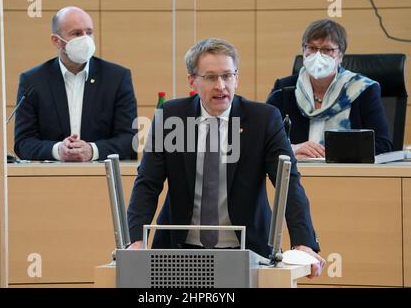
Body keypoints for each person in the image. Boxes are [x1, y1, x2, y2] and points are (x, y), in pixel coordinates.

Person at [127, 38, 325, 278]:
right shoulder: (171, 116)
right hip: (178, 248)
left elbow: (289, 182)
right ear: (192, 80)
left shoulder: (263, 119)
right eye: (210, 77)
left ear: (237, 78)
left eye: (227, 76)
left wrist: (304, 242)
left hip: (249, 251)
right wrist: (136, 240)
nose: (221, 85)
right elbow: (147, 183)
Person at [14, 6, 137, 161]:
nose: (85, 39)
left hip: (103, 175)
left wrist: (92, 150)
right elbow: (23, 142)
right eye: (76, 33)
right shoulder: (32, 81)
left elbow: (129, 139)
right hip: (49, 178)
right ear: (56, 41)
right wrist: (57, 150)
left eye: (89, 32)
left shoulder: (117, 77)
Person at [267, 19, 392, 160]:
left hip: (348, 176)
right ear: (303, 51)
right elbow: (262, 141)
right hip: (296, 175)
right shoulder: (284, 90)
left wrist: (332, 152)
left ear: (340, 56)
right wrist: (292, 149)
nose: (318, 56)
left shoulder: (362, 90)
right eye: (312, 48)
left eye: (327, 49)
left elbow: (383, 145)